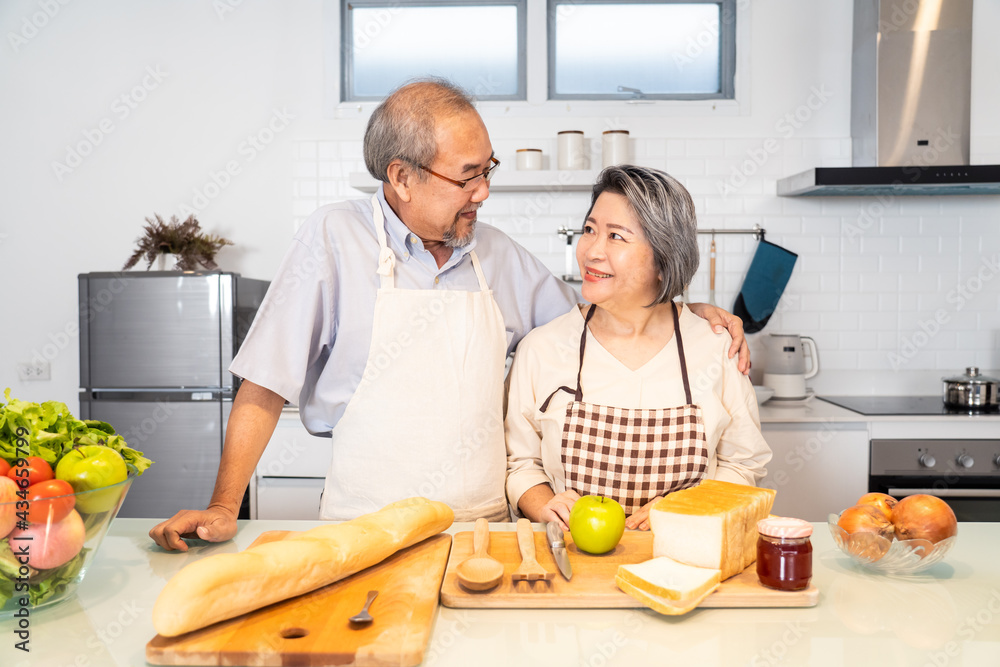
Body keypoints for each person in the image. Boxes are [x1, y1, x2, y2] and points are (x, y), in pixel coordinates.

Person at [149, 80, 749, 550]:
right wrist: (226, 506)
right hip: (363, 525)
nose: (484, 192)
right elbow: (265, 382)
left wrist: (678, 306)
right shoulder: (333, 239)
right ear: (402, 178)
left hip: (482, 528)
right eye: (468, 176)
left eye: (488, 170)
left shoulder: (498, 255)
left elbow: (598, 318)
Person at [505, 165, 771, 532]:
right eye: (590, 230)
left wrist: (689, 507)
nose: (592, 251)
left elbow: (744, 464)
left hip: (686, 561)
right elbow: (520, 463)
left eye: (616, 236)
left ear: (664, 258)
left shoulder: (715, 348)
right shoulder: (541, 348)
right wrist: (544, 505)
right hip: (575, 561)